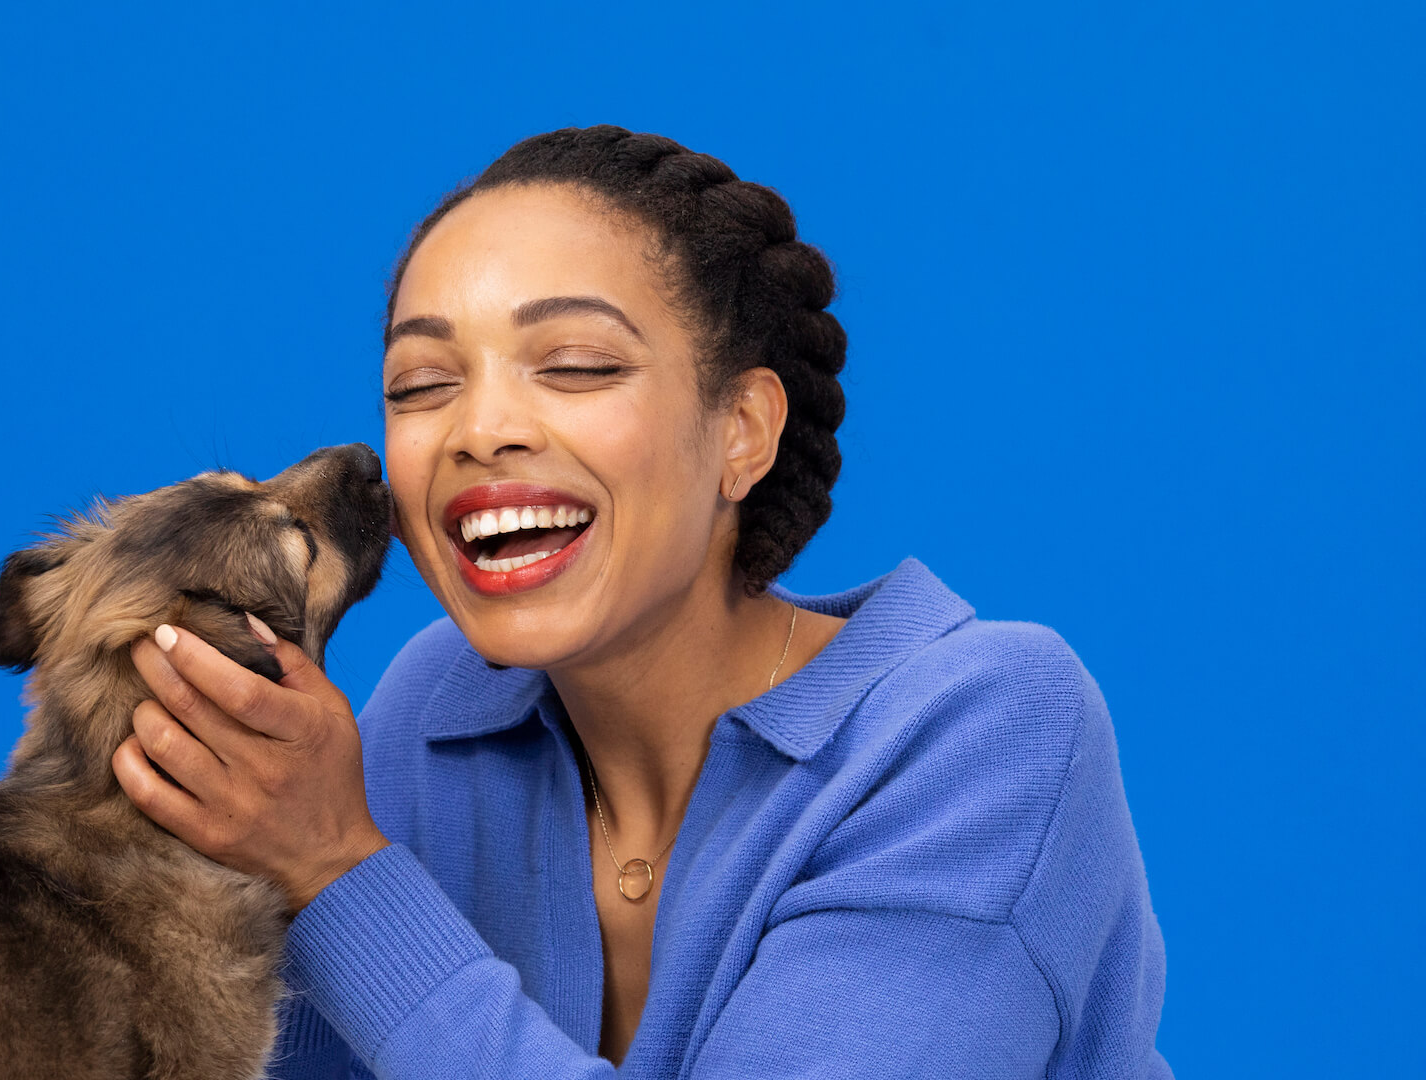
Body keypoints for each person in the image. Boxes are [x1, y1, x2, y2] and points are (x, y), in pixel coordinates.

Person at [110, 125, 1171, 1078]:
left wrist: (334, 868)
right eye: (423, 385)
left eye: (575, 365)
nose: (479, 430)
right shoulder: (436, 718)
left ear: (743, 432)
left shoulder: (981, 729)